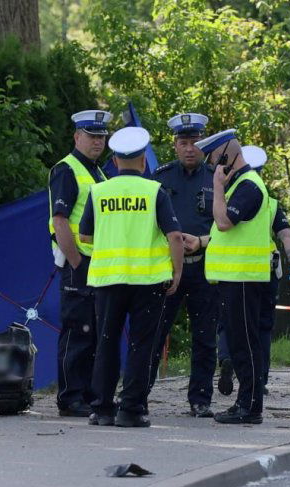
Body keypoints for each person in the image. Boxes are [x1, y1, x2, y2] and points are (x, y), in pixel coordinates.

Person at [78, 126, 185, 428]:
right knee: (141, 344)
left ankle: (101, 409)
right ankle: (131, 409)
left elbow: (84, 235)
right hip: (148, 282)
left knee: (106, 343)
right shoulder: (154, 192)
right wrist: (177, 272)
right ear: (142, 161)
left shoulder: (98, 192)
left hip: (108, 281)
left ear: (114, 162)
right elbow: (175, 236)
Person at [214, 152, 290, 396]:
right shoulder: (270, 203)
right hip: (264, 271)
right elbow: (286, 236)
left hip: (233, 271)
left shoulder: (228, 199)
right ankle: (260, 378)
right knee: (261, 327)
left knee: (229, 323)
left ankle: (226, 358)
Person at [195, 129, 270, 424]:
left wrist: (216, 186)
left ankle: (250, 406)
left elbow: (224, 223)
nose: (213, 165)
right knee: (239, 342)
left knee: (245, 343)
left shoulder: (249, 186)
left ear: (227, 154)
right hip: (233, 277)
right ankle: (245, 403)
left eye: (214, 157)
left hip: (243, 277)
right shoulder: (238, 185)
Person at [149, 113, 220, 418]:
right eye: (183, 142)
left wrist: (202, 240)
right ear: (175, 146)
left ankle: (200, 398)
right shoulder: (161, 178)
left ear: (203, 145)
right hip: (167, 269)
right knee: (152, 332)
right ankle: (139, 394)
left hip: (205, 267)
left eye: (194, 142)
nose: (189, 148)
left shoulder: (218, 178)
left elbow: (228, 226)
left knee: (204, 337)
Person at [47, 109, 111, 417]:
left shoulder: (98, 172)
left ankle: (86, 394)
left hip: (96, 263)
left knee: (94, 331)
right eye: (92, 136)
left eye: (101, 136)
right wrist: (74, 261)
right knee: (77, 330)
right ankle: (70, 398)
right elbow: (59, 220)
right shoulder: (67, 169)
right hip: (78, 262)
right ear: (77, 136)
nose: (98, 141)